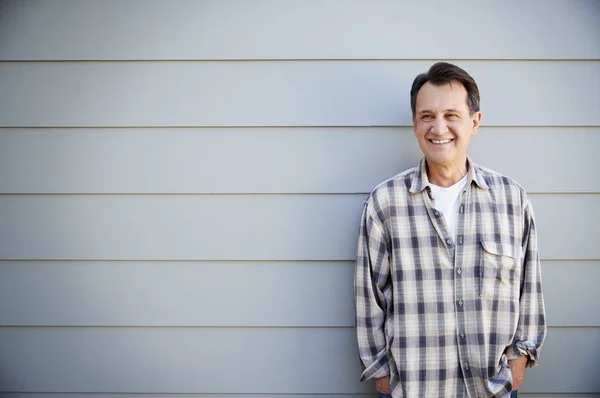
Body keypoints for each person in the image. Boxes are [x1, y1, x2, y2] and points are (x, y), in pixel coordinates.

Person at [354, 62, 546, 398]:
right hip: (412, 389)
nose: (438, 127)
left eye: (451, 115)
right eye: (426, 115)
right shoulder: (385, 203)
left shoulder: (511, 199)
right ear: (415, 124)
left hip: (492, 390)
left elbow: (529, 288)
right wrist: (382, 373)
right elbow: (369, 297)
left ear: (475, 122)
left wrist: (518, 364)